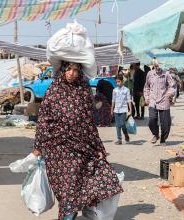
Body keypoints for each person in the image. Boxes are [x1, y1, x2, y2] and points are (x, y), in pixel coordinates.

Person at [33, 61, 123, 220]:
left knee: (77, 185)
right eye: (68, 69)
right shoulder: (54, 91)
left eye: (75, 70)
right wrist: (38, 146)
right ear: (62, 70)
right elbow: (43, 120)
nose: (72, 73)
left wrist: (98, 148)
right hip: (58, 148)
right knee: (67, 188)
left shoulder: (83, 90)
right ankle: (69, 214)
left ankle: (71, 214)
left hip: (82, 146)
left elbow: (89, 122)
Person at [144, 63, 175, 146]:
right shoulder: (149, 74)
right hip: (153, 101)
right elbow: (146, 87)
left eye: (159, 65)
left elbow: (173, 86)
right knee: (152, 119)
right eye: (156, 65)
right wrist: (147, 98)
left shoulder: (166, 74)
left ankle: (163, 139)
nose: (157, 67)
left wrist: (169, 94)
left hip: (164, 100)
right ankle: (156, 134)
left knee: (165, 123)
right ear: (153, 64)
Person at [111, 74, 132, 145]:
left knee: (123, 124)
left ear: (122, 81)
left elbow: (129, 100)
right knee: (117, 125)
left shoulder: (127, 90)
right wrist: (111, 110)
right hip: (116, 110)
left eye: (119, 81)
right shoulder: (114, 90)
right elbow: (113, 101)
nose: (117, 83)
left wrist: (130, 110)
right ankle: (119, 139)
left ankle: (126, 134)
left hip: (123, 110)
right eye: (116, 82)